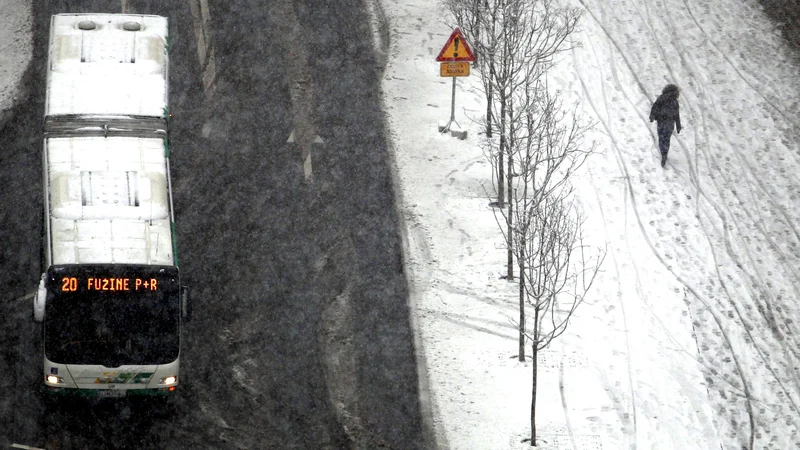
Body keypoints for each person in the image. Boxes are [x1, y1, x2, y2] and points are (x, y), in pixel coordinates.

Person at [649, 84, 682, 167]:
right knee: (667, 138)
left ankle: (663, 151)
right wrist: (678, 125)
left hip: (661, 121)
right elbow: (677, 115)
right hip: (670, 123)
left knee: (661, 137)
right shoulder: (675, 102)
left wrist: (652, 116)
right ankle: (665, 153)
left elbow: (655, 107)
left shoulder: (661, 98)